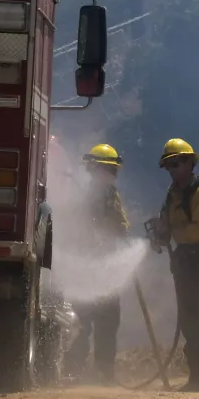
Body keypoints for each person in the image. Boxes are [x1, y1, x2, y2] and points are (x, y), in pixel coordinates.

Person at [151, 138, 199, 392]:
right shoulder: (172, 194)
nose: (173, 170)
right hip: (186, 262)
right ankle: (197, 375)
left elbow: (197, 231)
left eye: (177, 163)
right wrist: (159, 236)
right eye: (169, 166)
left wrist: (171, 231)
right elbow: (166, 223)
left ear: (190, 163)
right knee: (189, 318)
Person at [66, 143, 130, 385]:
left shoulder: (97, 194)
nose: (113, 175)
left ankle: (84, 371)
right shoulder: (104, 196)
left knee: (92, 322)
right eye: (109, 170)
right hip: (97, 268)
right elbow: (120, 226)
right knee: (93, 322)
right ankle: (95, 372)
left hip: (97, 267)